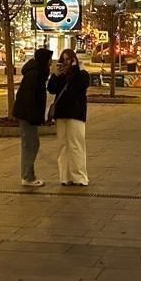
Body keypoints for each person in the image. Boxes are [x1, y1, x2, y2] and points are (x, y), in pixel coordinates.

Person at [48, 48, 90, 186]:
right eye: (63, 60)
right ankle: (64, 176)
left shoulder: (81, 73)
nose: (65, 62)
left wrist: (74, 70)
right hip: (61, 114)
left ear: (74, 60)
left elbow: (80, 86)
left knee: (76, 145)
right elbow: (51, 89)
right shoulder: (61, 75)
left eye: (68, 59)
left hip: (76, 114)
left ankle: (80, 177)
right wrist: (55, 75)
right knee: (62, 146)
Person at [12, 47, 52, 186]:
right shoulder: (34, 74)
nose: (50, 64)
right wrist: (34, 117)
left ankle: (29, 175)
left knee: (31, 144)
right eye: (49, 60)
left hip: (27, 115)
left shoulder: (36, 72)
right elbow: (29, 98)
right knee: (31, 145)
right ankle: (27, 177)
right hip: (27, 116)